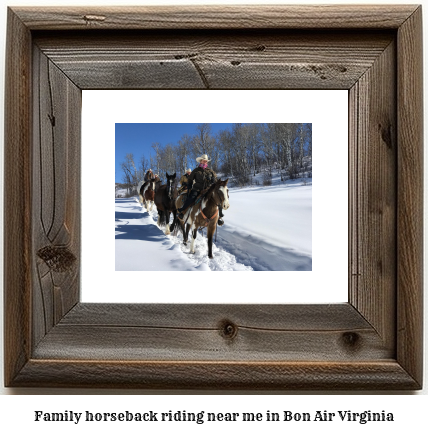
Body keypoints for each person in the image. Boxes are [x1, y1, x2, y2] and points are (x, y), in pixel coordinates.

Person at [177, 155, 224, 226]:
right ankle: (183, 212)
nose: (205, 162)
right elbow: (190, 179)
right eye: (203, 160)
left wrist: (213, 180)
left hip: (208, 189)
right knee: (192, 198)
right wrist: (189, 184)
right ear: (200, 161)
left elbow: (216, 180)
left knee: (218, 198)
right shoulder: (196, 170)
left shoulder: (211, 171)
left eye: (206, 161)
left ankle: (219, 217)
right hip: (197, 188)